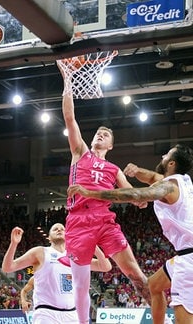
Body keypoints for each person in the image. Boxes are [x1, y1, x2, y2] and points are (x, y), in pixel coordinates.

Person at [68, 144, 193, 324]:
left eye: (166, 155)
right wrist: (137, 170)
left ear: (171, 163)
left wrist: (90, 193)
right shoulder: (181, 179)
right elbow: (152, 177)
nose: (162, 155)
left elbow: (136, 195)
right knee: (153, 286)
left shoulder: (169, 188)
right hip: (189, 253)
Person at [59, 81, 151, 324]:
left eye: (106, 134)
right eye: (98, 133)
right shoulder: (80, 153)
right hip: (78, 222)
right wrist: (68, 81)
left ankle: (166, 316)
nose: (100, 134)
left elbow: (133, 196)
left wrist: (142, 200)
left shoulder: (114, 168)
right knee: (81, 285)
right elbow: (69, 117)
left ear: (111, 145)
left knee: (135, 273)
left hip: (105, 221)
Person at [2, 223, 112, 323]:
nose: (59, 230)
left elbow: (105, 266)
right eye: (55, 229)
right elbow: (8, 267)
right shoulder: (40, 252)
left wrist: (95, 247)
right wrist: (13, 244)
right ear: (49, 238)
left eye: (62, 229)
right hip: (46, 313)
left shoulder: (75, 256)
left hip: (72, 314)